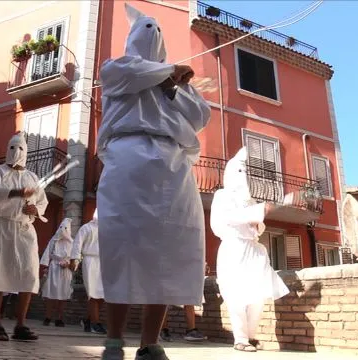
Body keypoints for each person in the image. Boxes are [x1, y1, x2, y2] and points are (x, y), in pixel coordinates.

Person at [96, 4, 211, 359]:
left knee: (168, 252)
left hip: (174, 168)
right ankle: (114, 340)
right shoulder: (118, 68)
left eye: (157, 32)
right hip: (127, 162)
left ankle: (150, 342)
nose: (152, 37)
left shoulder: (174, 83)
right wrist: (168, 71)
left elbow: (200, 116)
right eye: (146, 31)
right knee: (122, 250)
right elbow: (132, 74)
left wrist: (177, 84)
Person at [210, 147, 290, 352]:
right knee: (236, 295)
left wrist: (259, 218)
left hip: (254, 251)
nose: (242, 176)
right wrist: (259, 211)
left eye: (244, 172)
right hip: (234, 248)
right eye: (239, 172)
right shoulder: (222, 196)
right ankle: (240, 338)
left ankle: (251, 337)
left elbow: (257, 227)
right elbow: (228, 218)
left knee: (257, 295)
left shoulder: (250, 200)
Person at [0, 132, 48, 341]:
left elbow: (42, 201)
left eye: (20, 148)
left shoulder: (32, 177)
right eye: (12, 147)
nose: (16, 152)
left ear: (26, 151)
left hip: (25, 229)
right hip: (2, 227)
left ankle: (21, 324)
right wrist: (18, 193)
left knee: (28, 272)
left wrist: (35, 211)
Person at [70, 209, 107, 334]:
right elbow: (77, 243)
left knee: (102, 294)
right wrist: (74, 259)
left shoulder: (108, 229)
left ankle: (87, 320)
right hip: (90, 261)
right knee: (92, 293)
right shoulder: (86, 228)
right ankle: (96, 323)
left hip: (104, 261)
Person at [40, 218, 74, 327]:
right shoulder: (54, 240)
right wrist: (45, 266)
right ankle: (48, 317)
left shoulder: (72, 243)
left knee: (63, 294)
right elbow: (47, 254)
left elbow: (76, 257)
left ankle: (59, 318)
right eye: (61, 228)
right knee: (51, 294)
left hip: (66, 271)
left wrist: (70, 264)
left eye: (65, 228)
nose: (63, 231)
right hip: (54, 268)